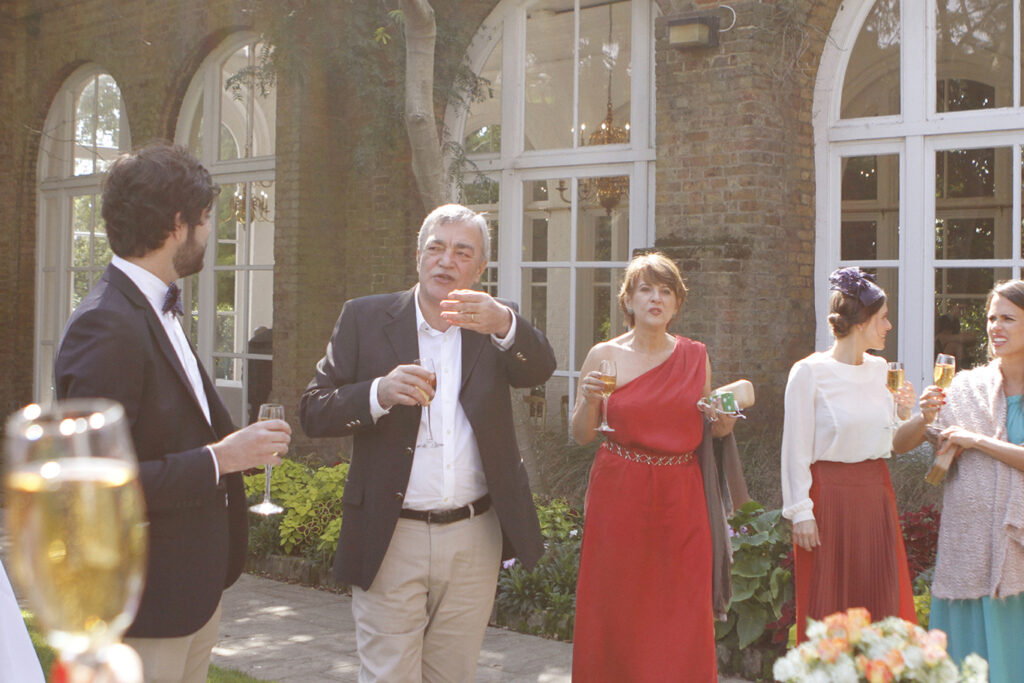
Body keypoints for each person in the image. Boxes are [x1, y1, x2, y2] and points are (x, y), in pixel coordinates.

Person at [54, 143, 291, 682]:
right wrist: (221, 459)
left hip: (190, 596)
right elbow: (94, 488)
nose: (208, 231)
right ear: (178, 225)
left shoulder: (153, 307)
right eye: (205, 218)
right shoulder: (106, 325)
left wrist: (237, 449)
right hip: (144, 608)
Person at [299, 203, 556, 682]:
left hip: (474, 535)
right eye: (436, 248)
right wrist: (378, 392)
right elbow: (313, 410)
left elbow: (540, 368)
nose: (446, 261)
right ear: (418, 256)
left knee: (453, 675)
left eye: (463, 252)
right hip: (392, 533)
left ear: (480, 268)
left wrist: (504, 323)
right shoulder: (365, 317)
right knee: (389, 674)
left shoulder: (493, 323)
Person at [570, 252, 738, 682]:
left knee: (680, 605)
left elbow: (711, 428)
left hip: (682, 496)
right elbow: (582, 434)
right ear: (628, 300)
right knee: (617, 603)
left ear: (677, 303)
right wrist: (589, 400)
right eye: (645, 289)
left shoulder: (695, 356)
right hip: (619, 492)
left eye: (666, 291)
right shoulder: (603, 355)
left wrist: (724, 422)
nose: (656, 298)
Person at [781, 266, 919, 642]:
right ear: (861, 323)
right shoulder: (809, 372)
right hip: (829, 498)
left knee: (880, 596)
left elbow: (890, 440)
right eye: (883, 318)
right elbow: (794, 448)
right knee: (829, 604)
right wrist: (800, 511)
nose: (889, 326)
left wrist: (904, 411)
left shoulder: (881, 369)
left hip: (875, 494)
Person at [899, 279, 1024, 681]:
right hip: (969, 548)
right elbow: (900, 445)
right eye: (991, 318)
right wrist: (924, 416)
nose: (995, 327)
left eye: (1008, 318)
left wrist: (977, 441)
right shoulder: (967, 386)